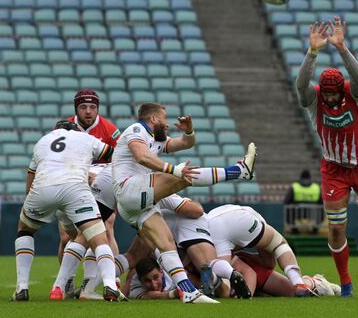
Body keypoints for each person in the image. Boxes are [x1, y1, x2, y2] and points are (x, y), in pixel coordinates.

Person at [112, 102, 257, 303]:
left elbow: (185, 144)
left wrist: (189, 132)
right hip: (129, 188)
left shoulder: (156, 139)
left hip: (134, 204)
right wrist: (172, 169)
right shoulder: (137, 130)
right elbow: (141, 156)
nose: (167, 123)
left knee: (167, 244)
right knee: (182, 176)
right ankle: (238, 171)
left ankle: (188, 292)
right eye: (164, 118)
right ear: (153, 119)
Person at [295, 17, 358, 297]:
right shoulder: (315, 99)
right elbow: (300, 86)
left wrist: (342, 49)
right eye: (326, 95)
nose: (330, 99)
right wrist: (312, 52)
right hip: (334, 168)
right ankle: (346, 283)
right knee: (335, 228)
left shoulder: (354, 95)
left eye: (334, 95)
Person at [10, 120, 126, 302]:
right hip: (75, 189)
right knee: (98, 238)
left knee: (25, 230)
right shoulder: (85, 137)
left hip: (43, 188)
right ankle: (110, 285)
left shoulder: (43, 140)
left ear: (55, 130)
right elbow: (115, 155)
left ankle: (21, 288)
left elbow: (31, 175)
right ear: (75, 130)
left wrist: (30, 202)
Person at [57, 89, 121, 297]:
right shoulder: (64, 128)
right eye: (83, 107)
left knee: (106, 227)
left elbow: (122, 160)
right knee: (67, 236)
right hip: (73, 182)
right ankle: (66, 282)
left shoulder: (110, 130)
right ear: (76, 108)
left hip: (102, 185)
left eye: (92, 107)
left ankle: (103, 283)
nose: (88, 111)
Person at [207, 204, 314, 297]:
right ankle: (298, 282)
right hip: (238, 218)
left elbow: (266, 265)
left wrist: (245, 255)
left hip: (211, 226)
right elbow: (269, 263)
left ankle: (313, 282)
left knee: (222, 274)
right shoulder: (252, 217)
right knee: (279, 244)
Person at [284, 169, 323, 234]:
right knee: (321, 211)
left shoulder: (294, 187)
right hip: (313, 214)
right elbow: (322, 203)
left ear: (300, 177)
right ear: (310, 178)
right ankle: (314, 230)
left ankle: (295, 231)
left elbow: (286, 201)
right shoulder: (316, 187)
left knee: (288, 210)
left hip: (297, 214)